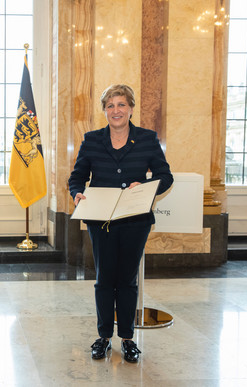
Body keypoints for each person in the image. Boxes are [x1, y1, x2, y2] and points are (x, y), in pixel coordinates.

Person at [68, 84, 173, 362]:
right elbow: (77, 176)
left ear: (131, 108)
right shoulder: (91, 140)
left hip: (135, 221)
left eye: (121, 105)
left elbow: (165, 176)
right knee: (104, 280)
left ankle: (127, 338)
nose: (116, 110)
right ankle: (103, 336)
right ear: (104, 111)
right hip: (100, 221)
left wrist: (146, 186)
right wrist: (76, 192)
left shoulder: (148, 139)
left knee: (127, 280)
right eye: (110, 105)